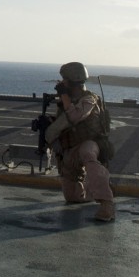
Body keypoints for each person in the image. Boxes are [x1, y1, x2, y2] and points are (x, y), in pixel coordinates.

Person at [41, 61, 115, 222]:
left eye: (64, 80)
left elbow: (75, 116)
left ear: (72, 81)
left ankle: (106, 202)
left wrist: (64, 95)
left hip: (90, 143)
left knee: (88, 154)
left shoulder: (89, 99)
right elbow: (62, 122)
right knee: (72, 197)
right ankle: (90, 190)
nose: (62, 83)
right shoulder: (66, 101)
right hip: (70, 148)